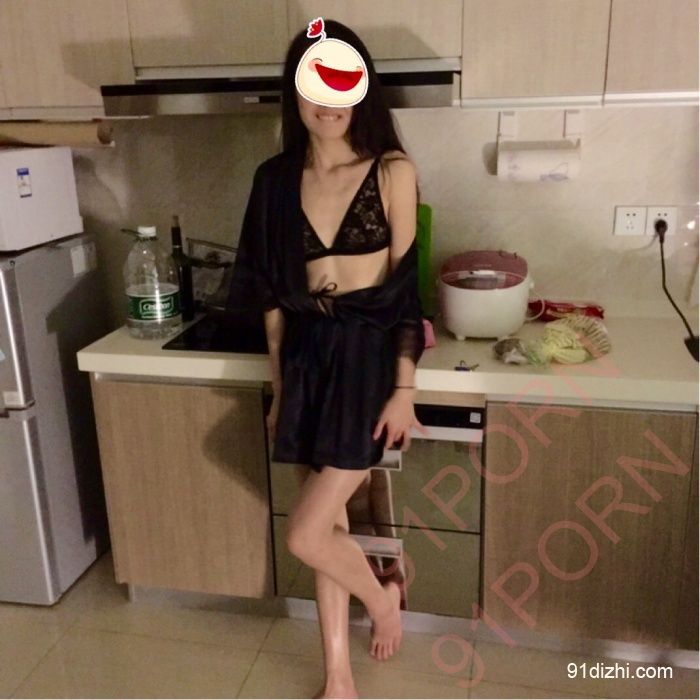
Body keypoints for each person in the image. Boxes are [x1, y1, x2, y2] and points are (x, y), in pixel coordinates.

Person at [227, 20, 427, 700]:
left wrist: (403, 389)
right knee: (329, 523)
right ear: (296, 92)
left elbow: (405, 292)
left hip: (366, 358)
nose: (330, 99)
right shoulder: (274, 180)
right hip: (307, 359)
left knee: (306, 534)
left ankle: (382, 598)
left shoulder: (393, 171)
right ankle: (338, 677)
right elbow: (271, 300)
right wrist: (282, 388)